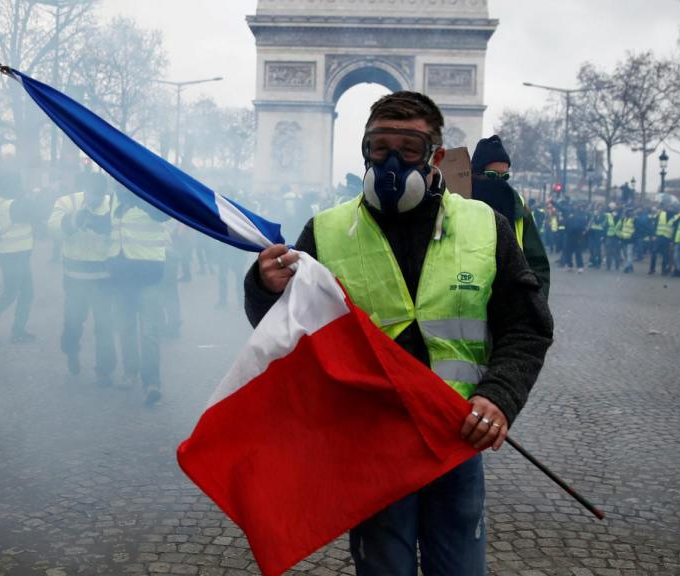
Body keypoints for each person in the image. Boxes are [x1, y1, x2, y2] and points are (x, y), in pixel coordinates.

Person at [244, 91, 553, 575]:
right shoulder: (324, 231)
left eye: (407, 150)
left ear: (437, 157)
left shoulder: (486, 226)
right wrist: (264, 286)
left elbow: (527, 325)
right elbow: (282, 327)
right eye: (377, 146)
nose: (389, 161)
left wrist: (500, 395)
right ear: (363, 149)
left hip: (454, 434)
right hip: (370, 440)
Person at [48, 172, 115, 386]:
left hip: (104, 279)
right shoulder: (67, 202)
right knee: (73, 323)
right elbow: (53, 229)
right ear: (85, 189)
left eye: (100, 195)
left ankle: (104, 370)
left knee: (105, 326)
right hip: (75, 278)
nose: (97, 199)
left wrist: (106, 226)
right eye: (93, 194)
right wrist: (76, 219)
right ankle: (71, 352)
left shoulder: (112, 204)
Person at [109, 186, 170, 406]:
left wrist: (139, 197)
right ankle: (130, 372)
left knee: (149, 331)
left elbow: (163, 214)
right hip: (122, 277)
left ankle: (152, 382)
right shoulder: (114, 203)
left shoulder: (151, 198)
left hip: (148, 277)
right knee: (125, 328)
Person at [470, 135, 550, 297]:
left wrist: (536, 304)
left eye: (504, 176)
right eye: (492, 175)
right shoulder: (457, 203)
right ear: (476, 173)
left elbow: (537, 263)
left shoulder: (518, 205)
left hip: (510, 301)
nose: (499, 182)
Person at [0, 173, 37, 343]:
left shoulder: (4, 203)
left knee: (26, 293)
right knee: (11, 293)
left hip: (16, 253)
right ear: (14, 186)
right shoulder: (15, 204)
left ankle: (18, 330)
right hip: (14, 255)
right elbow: (37, 213)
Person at [648, 205, 674, 275]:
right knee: (654, 253)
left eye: (671, 207)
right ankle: (652, 269)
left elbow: (674, 229)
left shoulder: (674, 217)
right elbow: (655, 225)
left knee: (665, 255)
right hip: (659, 237)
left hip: (667, 238)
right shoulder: (661, 214)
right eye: (669, 207)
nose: (670, 208)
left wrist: (672, 240)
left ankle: (663, 270)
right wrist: (653, 235)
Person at [618, 207, 637, 273]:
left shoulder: (634, 220)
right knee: (625, 254)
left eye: (631, 212)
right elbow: (620, 228)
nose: (630, 213)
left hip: (630, 239)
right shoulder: (623, 219)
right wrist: (620, 236)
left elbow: (636, 230)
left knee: (629, 254)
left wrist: (633, 236)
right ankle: (630, 266)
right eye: (628, 212)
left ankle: (627, 267)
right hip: (623, 239)